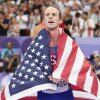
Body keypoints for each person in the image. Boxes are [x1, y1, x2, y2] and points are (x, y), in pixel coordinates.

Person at [37, 5, 74, 100]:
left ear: (60, 20)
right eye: (47, 15)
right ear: (43, 20)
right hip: (44, 94)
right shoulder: (37, 44)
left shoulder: (69, 42)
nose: (50, 16)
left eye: (54, 14)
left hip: (64, 94)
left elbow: (77, 66)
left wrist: (62, 75)